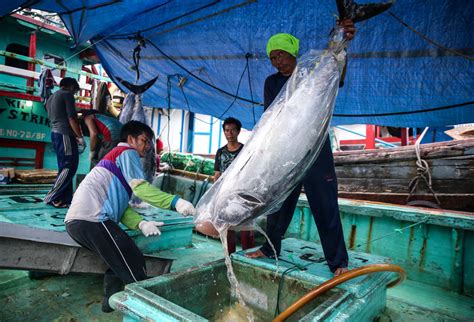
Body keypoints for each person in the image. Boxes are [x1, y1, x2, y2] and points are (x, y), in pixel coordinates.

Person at [246, 20, 356, 277]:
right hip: (286, 152)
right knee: (279, 202)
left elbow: (336, 75)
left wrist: (344, 42)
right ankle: (270, 248)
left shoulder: (314, 72)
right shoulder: (271, 82)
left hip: (316, 149)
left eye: (281, 54)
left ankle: (338, 261)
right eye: (273, 57)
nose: (277, 61)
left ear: (293, 52)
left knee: (325, 204)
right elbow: (270, 117)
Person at [64, 120, 195, 312]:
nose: (147, 145)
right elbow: (141, 189)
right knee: (133, 261)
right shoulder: (127, 151)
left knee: (118, 258)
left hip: (80, 222)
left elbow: (120, 207)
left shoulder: (115, 161)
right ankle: (151, 310)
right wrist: (176, 202)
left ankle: (109, 304)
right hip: (92, 219)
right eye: (144, 140)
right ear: (130, 139)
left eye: (150, 142)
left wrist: (141, 223)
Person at [43, 77, 85, 208]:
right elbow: (72, 118)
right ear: (71, 87)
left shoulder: (51, 97)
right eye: (75, 91)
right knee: (69, 165)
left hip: (55, 133)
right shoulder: (67, 95)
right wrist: (80, 136)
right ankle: (52, 196)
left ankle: (64, 199)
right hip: (64, 134)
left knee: (65, 167)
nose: (74, 94)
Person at [214, 117, 244, 181]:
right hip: (223, 189)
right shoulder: (220, 152)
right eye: (227, 130)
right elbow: (217, 175)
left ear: (238, 131)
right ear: (224, 132)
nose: (230, 133)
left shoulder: (245, 150)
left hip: (239, 189)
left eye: (233, 130)